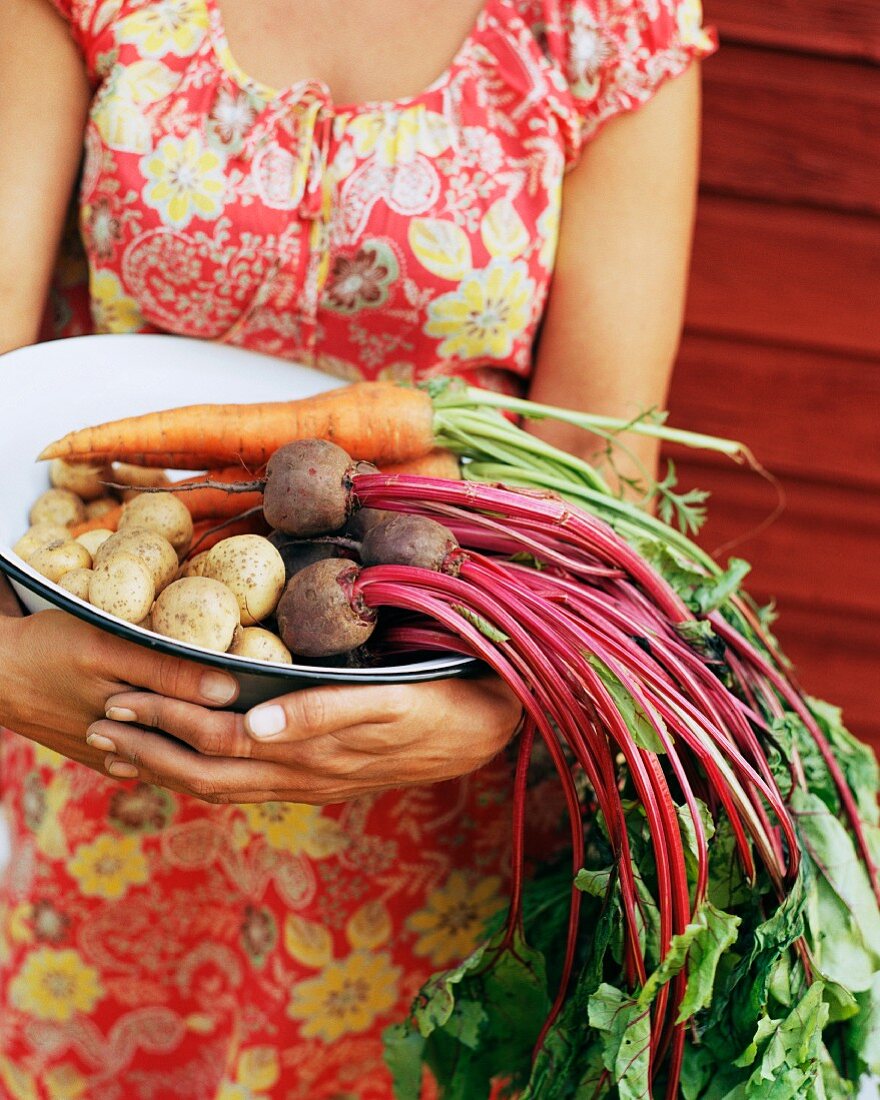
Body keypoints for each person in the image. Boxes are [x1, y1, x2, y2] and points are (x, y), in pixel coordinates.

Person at [0, 0, 715, 1095]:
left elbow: (598, 471)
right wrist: (3, 668)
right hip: (120, 701)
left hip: (416, 750)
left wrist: (489, 712)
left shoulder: (601, 23)